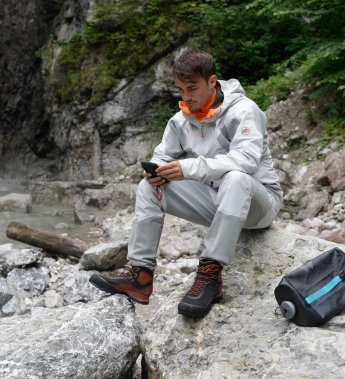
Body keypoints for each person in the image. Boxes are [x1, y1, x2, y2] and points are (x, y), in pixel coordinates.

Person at [89, 50, 283, 318]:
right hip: (218, 202)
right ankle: (140, 277)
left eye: (192, 88)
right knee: (149, 188)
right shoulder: (182, 120)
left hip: (259, 205)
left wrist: (187, 168)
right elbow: (162, 155)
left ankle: (210, 276)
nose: (186, 96)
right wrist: (157, 172)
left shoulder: (245, 111)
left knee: (236, 177)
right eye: (181, 90)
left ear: (212, 82)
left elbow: (247, 161)